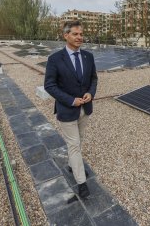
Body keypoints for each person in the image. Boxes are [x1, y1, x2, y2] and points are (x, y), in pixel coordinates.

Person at [44, 21, 98, 199]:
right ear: (65, 35)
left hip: (85, 109)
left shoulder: (88, 57)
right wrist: (70, 100)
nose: (80, 37)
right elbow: (49, 86)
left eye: (81, 34)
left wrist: (90, 93)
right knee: (74, 145)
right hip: (67, 110)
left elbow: (93, 79)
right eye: (75, 34)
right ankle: (82, 183)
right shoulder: (55, 59)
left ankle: (71, 165)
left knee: (78, 141)